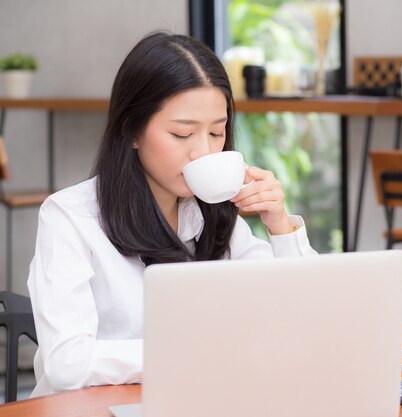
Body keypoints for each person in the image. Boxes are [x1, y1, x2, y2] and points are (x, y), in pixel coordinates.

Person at [27, 32, 317, 397]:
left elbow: (303, 309)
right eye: (182, 134)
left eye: (216, 132)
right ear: (131, 130)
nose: (204, 151)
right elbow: (67, 363)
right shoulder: (70, 218)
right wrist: (194, 352)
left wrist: (280, 224)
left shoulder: (213, 214)